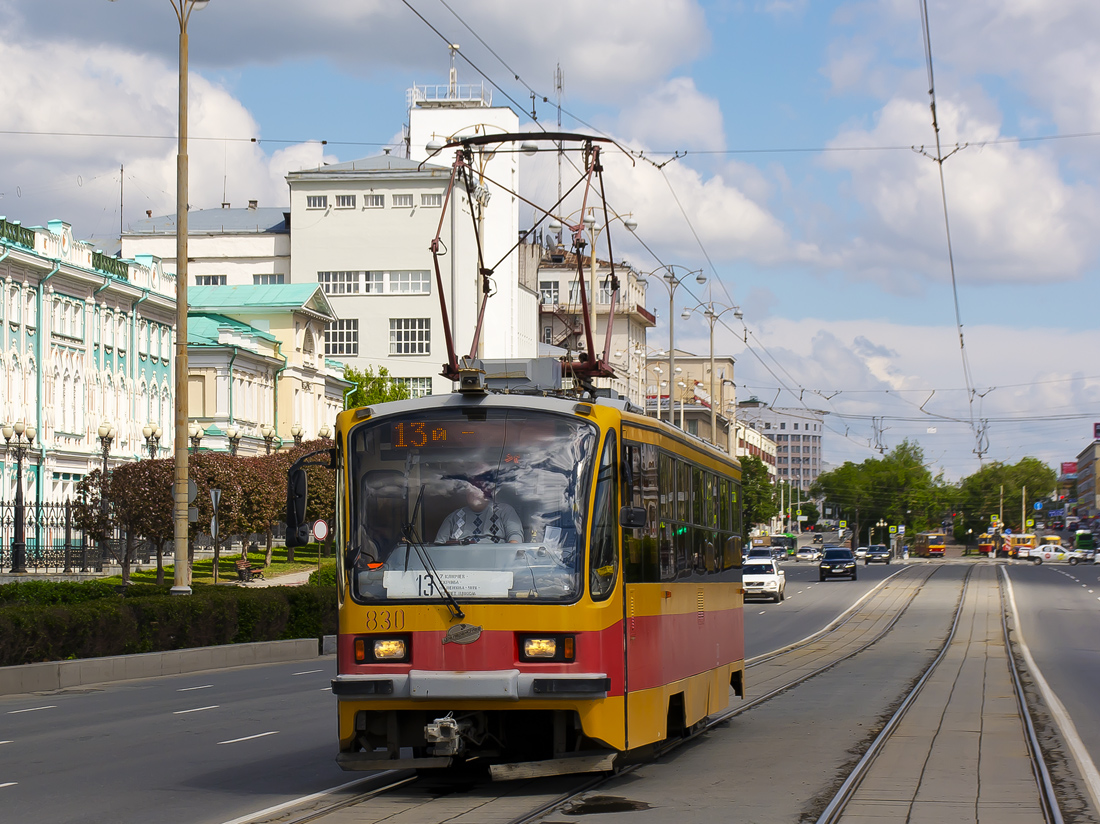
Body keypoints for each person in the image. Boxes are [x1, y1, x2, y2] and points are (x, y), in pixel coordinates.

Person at [435, 475, 523, 544]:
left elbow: (515, 538)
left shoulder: (505, 511)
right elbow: (438, 546)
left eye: (478, 487)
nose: (474, 492)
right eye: (470, 488)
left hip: (496, 564)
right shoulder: (454, 517)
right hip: (461, 564)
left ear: (488, 491)